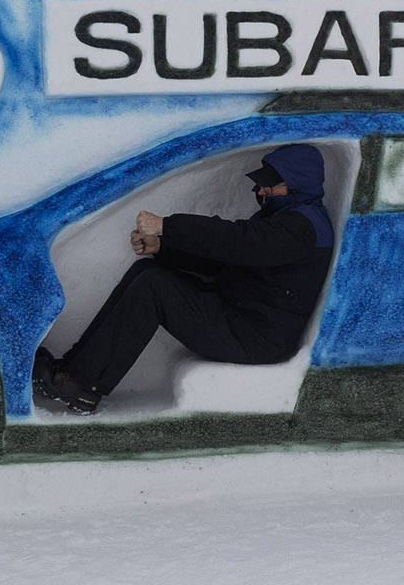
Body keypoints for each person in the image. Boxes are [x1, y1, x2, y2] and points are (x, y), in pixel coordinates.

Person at [34, 144, 337, 415]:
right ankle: (73, 369)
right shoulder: (287, 221)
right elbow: (227, 261)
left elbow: (237, 241)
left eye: (271, 186)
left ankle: (83, 386)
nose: (262, 193)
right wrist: (162, 249)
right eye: (262, 186)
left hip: (252, 337)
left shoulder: (304, 228)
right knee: (148, 272)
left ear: (297, 184)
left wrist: (168, 226)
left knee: (155, 289)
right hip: (236, 315)